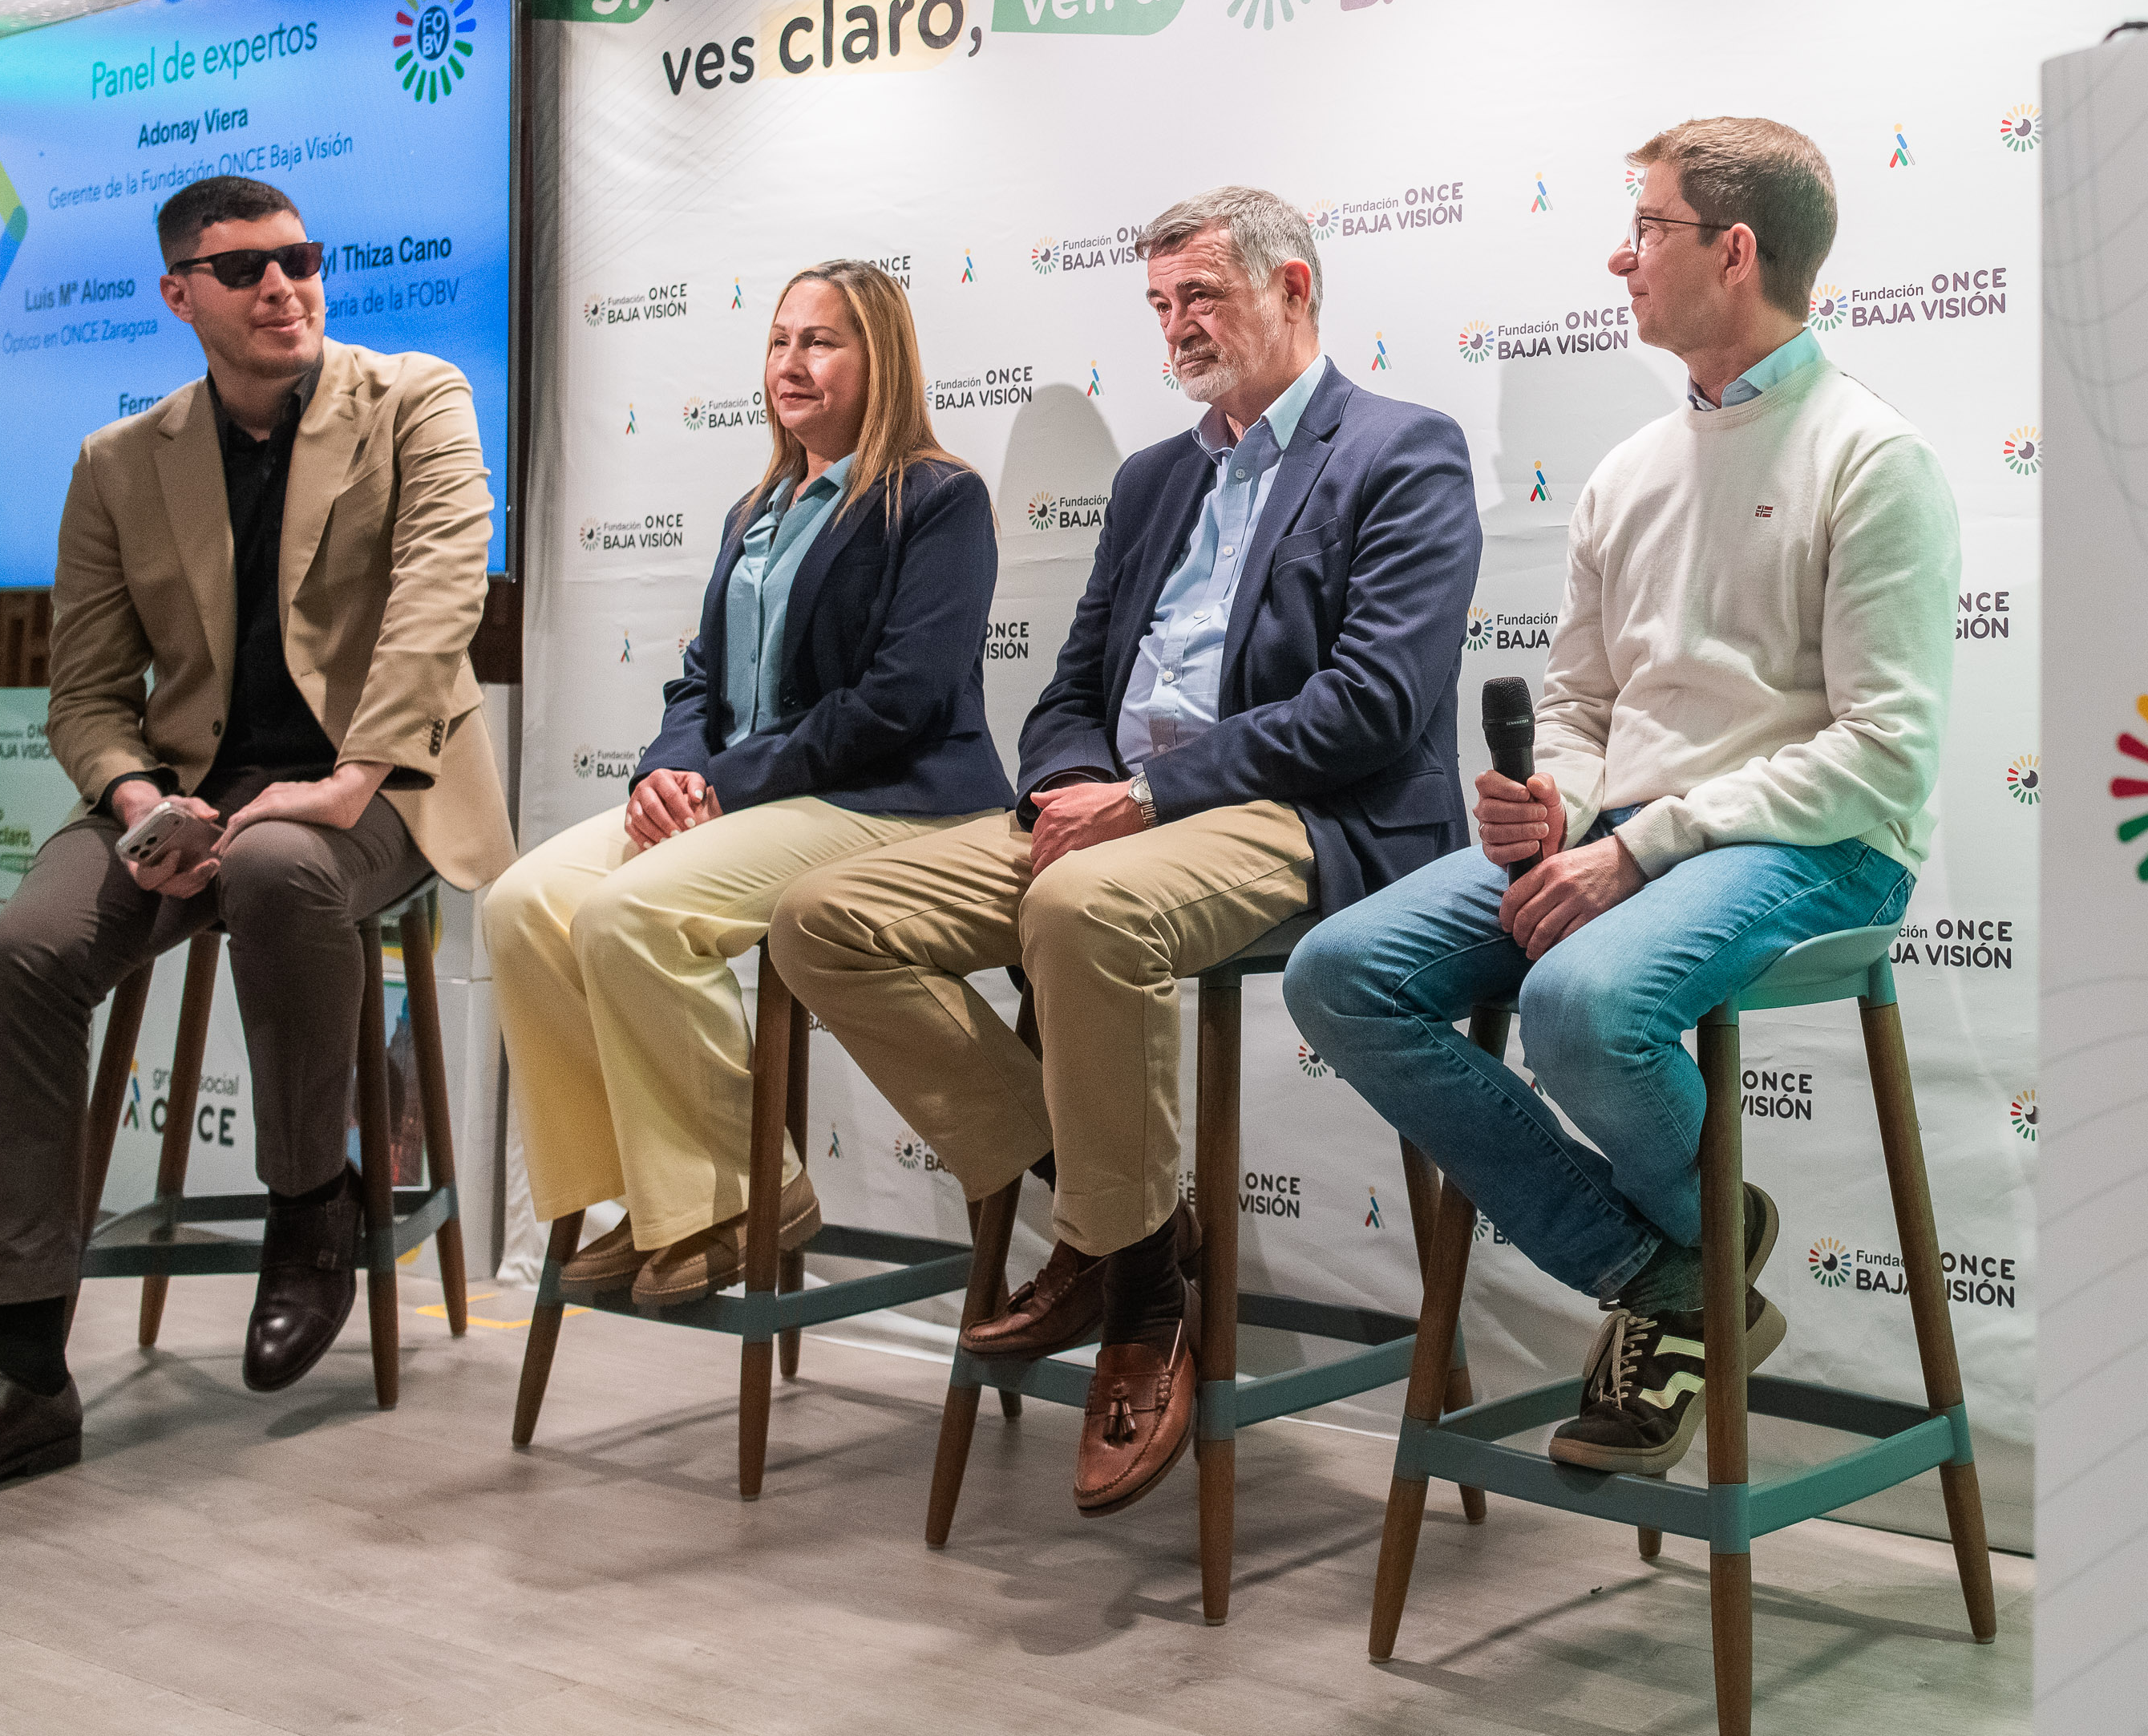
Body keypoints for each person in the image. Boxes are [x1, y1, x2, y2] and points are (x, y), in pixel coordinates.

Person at [769, 187, 1480, 1517]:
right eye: (1159, 305)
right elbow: (1068, 684)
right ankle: (1130, 1219)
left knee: (1088, 909)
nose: (1178, 328)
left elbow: (1372, 706)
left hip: (1302, 816)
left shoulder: (1402, 449)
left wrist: (1145, 798)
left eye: (1201, 297)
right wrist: (1068, 782)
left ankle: (1140, 1295)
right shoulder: (1158, 475)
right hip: (1120, 813)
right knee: (822, 917)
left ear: (1297, 289)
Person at [1286, 119, 1957, 1475]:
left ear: (1736, 249)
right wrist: (1556, 797)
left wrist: (1634, 848)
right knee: (1340, 969)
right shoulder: (1628, 470)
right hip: (1635, 834)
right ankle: (1673, 1266)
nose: (1619, 255)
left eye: (1645, 229)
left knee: (1583, 1000)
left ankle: (1682, 1272)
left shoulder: (1873, 460)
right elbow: (1587, 702)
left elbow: (1884, 751)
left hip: (1816, 846)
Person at [0, 176, 512, 1524]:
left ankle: (313, 1204)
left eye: (302, 258)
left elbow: (445, 592)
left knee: (280, 869)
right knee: (23, 952)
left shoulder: (415, 397)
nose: (285, 286)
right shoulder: (116, 462)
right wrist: (142, 802)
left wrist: (345, 780)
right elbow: (85, 692)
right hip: (188, 789)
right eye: (247, 267)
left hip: (379, 786)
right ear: (180, 294)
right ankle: (25, 1372)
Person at [482, 260, 1011, 1309]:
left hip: (894, 804)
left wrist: (722, 782)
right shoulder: (756, 507)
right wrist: (671, 766)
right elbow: (701, 679)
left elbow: (899, 701)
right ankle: (648, 1195)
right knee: (522, 903)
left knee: (632, 912)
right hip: (752, 794)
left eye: (822, 341)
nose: (792, 362)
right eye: (779, 340)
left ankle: (743, 1196)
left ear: (882, 359)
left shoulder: (939, 498)